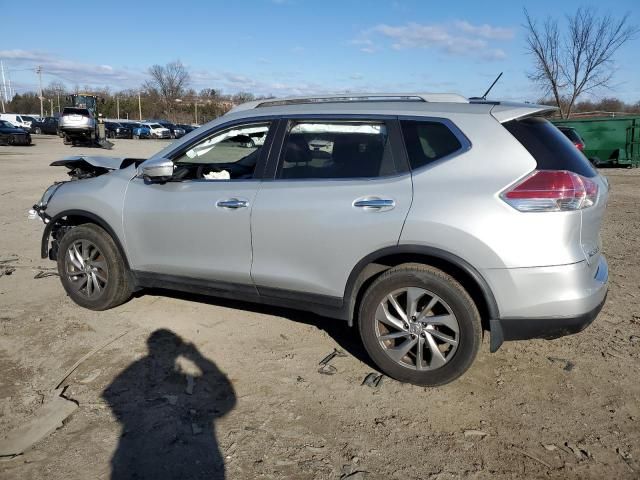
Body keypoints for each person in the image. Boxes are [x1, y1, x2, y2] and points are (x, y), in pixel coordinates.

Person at [102, 329, 236, 479]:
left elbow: (111, 394)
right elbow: (110, 394)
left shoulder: (144, 367)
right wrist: (198, 358)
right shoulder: (144, 368)